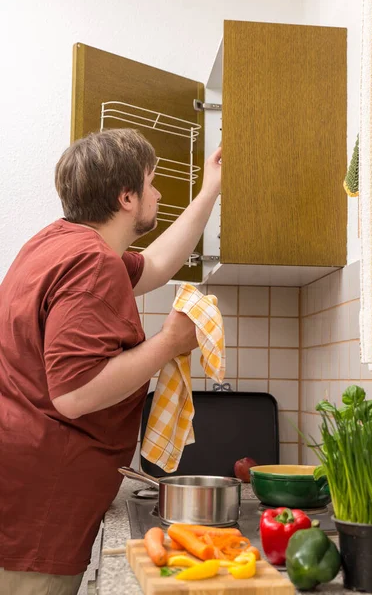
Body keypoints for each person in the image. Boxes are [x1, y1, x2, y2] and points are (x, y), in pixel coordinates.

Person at [0, 128, 222, 595]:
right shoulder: (90, 263)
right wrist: (169, 342)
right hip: (43, 506)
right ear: (127, 197)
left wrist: (211, 189)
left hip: (24, 488)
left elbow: (157, 265)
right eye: (152, 181)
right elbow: (75, 395)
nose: (158, 192)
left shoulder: (56, 245)